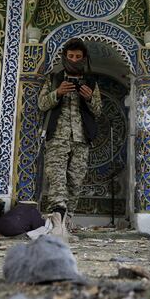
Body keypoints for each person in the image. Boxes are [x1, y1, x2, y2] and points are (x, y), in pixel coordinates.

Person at [37, 38, 102, 229]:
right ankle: (56, 222)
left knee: (75, 181)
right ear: (65, 57)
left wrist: (89, 98)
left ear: (84, 58)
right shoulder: (53, 79)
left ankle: (66, 222)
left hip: (81, 140)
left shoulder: (91, 82)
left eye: (78, 57)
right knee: (57, 179)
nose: (74, 60)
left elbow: (98, 110)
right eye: (71, 56)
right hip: (57, 137)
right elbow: (42, 104)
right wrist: (57, 93)